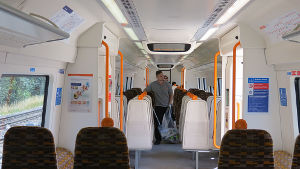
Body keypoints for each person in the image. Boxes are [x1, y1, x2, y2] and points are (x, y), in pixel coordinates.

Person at [145, 70, 173, 145]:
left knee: (169, 122)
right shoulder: (153, 85)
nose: (162, 77)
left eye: (163, 75)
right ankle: (158, 139)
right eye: (161, 76)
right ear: (157, 77)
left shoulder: (168, 84)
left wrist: (170, 104)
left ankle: (171, 137)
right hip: (157, 106)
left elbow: (171, 94)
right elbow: (145, 91)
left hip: (167, 106)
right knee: (157, 123)